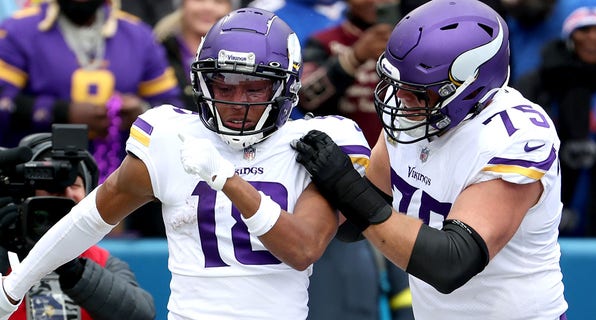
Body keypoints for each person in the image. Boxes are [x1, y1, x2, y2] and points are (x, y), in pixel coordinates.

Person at [0, 8, 371, 319]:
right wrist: (15, 285)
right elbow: (89, 218)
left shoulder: (316, 144)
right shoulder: (170, 135)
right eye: (223, 87)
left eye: (254, 88)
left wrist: (226, 179)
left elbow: (303, 249)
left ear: (285, 88)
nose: (235, 102)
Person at [292, 0, 568, 318]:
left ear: (469, 85)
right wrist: (322, 175)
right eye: (398, 84)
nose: (401, 99)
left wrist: (344, 185)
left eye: (417, 89)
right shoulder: (412, 114)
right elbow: (354, 225)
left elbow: (451, 264)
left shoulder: (517, 134)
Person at [0, 0, 181, 183]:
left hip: (122, 187)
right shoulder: (18, 30)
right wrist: (61, 112)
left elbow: (173, 109)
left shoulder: (138, 35)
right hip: (39, 181)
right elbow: (2, 100)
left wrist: (142, 113)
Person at [0, 132, 155, 320]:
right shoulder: (4, 250)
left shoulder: (102, 261)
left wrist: (71, 266)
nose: (66, 193)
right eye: (53, 186)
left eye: (74, 184)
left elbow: (141, 314)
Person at [515, 5, 596, 236]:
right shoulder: (537, 85)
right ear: (570, 35)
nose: (593, 38)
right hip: (538, 216)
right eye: (584, 29)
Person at [296, 0, 393, 145]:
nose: (375, 2)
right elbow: (304, 98)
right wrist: (353, 58)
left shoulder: (412, 42)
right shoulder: (324, 41)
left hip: (395, 153)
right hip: (338, 154)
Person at [154, 0, 237, 112]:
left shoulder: (244, 55)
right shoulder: (158, 48)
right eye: (199, 0)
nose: (208, 7)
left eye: (219, 2)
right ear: (182, 4)